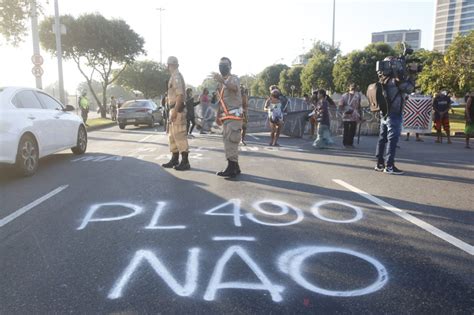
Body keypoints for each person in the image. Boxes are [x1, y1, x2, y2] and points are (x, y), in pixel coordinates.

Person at [375, 57, 416, 175]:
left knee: (383, 138)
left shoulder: (383, 79)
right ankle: (389, 166)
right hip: (394, 113)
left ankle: (379, 163)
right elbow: (409, 89)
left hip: (384, 113)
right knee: (392, 140)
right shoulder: (396, 81)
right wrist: (412, 75)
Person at [214, 57, 243, 178]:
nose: (222, 67)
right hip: (226, 117)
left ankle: (231, 169)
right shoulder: (221, 83)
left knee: (231, 142)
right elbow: (221, 101)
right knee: (228, 142)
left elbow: (234, 88)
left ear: (230, 66)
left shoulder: (233, 78)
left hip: (234, 117)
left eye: (225, 65)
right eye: (220, 65)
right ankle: (235, 167)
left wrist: (223, 81)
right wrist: (217, 116)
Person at [161, 56, 190, 171]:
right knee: (172, 136)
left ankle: (185, 161)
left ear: (169, 65)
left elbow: (180, 95)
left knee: (180, 135)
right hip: (172, 108)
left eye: (168, 65)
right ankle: (175, 158)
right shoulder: (173, 76)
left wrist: (176, 111)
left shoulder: (176, 77)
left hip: (177, 109)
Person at [339, 83, 361, 148]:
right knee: (348, 130)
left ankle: (349, 143)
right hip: (348, 115)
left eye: (353, 88)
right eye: (352, 88)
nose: (353, 89)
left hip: (353, 115)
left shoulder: (357, 96)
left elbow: (359, 106)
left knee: (351, 130)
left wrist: (360, 114)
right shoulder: (345, 96)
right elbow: (340, 105)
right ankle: (346, 143)